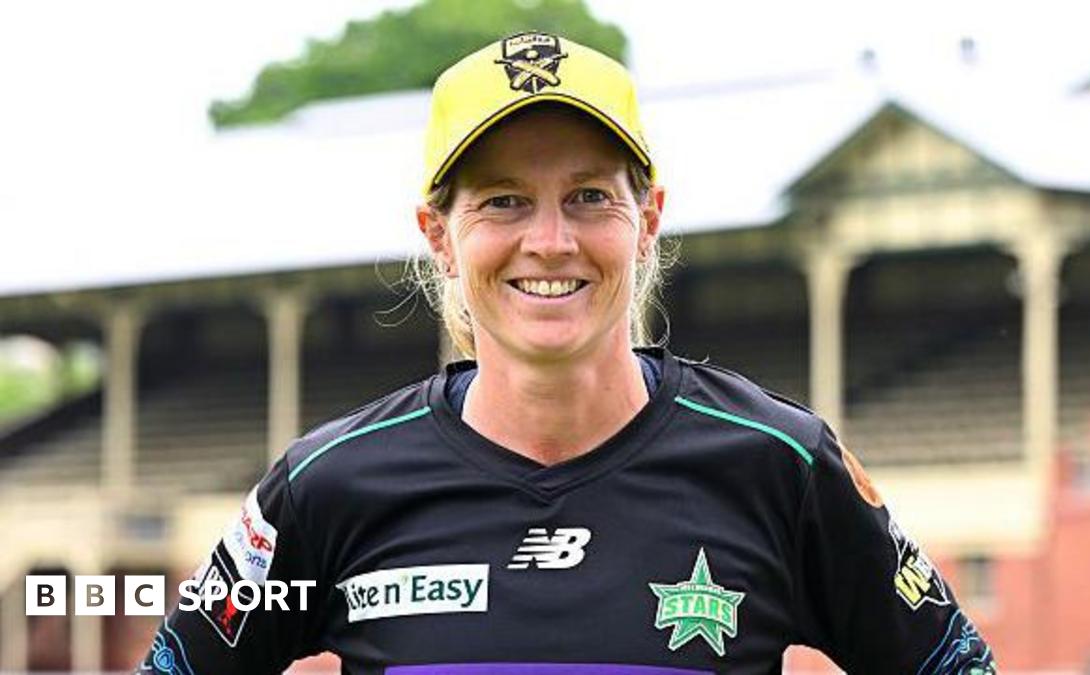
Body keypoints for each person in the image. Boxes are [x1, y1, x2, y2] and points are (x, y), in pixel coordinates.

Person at [138, 32, 997, 674]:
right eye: (505, 201)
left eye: (588, 196)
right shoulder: (327, 484)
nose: (549, 241)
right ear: (438, 235)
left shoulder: (782, 464)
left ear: (648, 218)